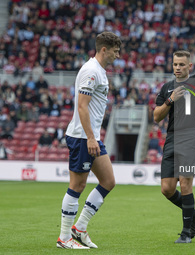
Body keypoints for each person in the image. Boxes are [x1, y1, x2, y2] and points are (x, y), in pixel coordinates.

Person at [153, 15, 195, 243]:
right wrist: (169, 100)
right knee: (167, 189)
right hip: (171, 138)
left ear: (190, 66)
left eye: (182, 65)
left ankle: (186, 232)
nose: (178, 68)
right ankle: (194, 215)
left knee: (186, 182)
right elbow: (156, 117)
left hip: (190, 137)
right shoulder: (167, 88)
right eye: (175, 64)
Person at [57, 32, 121, 249]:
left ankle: (80, 228)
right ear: (104, 49)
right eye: (115, 50)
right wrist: (91, 138)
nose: (117, 55)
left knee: (108, 181)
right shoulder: (91, 71)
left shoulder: (100, 71)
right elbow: (82, 106)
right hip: (83, 137)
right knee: (77, 185)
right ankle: (64, 237)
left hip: (91, 137)